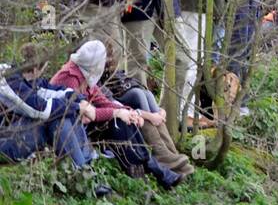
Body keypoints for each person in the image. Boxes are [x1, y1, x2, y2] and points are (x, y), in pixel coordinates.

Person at [50, 40, 183, 188]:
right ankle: (152, 167)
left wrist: (129, 112)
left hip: (85, 122)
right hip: (69, 129)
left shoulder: (83, 74)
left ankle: (152, 167)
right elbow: (85, 113)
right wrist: (117, 112)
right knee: (118, 121)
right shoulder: (70, 77)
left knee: (123, 121)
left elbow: (103, 101)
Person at [1, 45, 103, 194]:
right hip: (4, 145)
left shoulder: (25, 78)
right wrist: (77, 108)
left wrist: (79, 100)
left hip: (11, 135)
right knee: (57, 115)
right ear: (36, 69)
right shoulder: (10, 81)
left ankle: (85, 168)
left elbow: (53, 91)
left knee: (63, 111)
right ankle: (84, 175)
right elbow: (40, 109)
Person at [101, 40, 193, 177]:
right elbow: (114, 106)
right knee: (138, 95)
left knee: (147, 94)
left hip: (121, 96)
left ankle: (170, 153)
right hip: (116, 108)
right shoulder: (94, 83)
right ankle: (161, 153)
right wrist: (150, 116)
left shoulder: (112, 71)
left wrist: (158, 112)